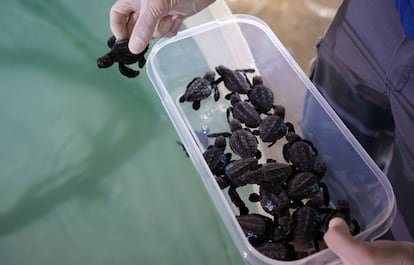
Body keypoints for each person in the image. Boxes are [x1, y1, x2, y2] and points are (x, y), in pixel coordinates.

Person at [108, 0, 414, 264]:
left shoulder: (260, 156)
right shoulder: (260, 156)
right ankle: (347, 210)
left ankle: (367, 226)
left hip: (277, 169)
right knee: (325, 129)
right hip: (386, 10)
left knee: (400, 220)